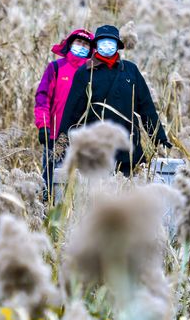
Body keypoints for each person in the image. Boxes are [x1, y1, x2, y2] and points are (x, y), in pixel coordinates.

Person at [58, 24, 170, 175]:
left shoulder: (130, 70)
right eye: (102, 41)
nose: (106, 45)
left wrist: (159, 139)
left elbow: (146, 107)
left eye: (110, 41)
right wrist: (62, 144)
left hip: (129, 149)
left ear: (117, 45)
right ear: (96, 45)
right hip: (95, 151)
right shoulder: (84, 72)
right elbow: (72, 112)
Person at [35, 29, 94, 195]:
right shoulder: (56, 68)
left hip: (82, 139)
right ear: (70, 43)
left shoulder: (93, 72)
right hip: (56, 137)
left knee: (80, 185)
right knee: (49, 182)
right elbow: (42, 98)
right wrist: (43, 125)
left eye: (86, 44)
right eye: (78, 42)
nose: (81, 46)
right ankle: (46, 207)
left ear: (91, 50)